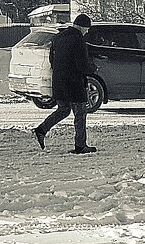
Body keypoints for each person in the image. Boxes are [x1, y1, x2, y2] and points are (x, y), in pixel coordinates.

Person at [33, 13, 97, 154]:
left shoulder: (58, 37)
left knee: (63, 109)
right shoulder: (78, 40)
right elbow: (82, 65)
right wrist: (93, 68)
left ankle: (41, 129)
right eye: (87, 29)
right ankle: (80, 146)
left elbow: (51, 59)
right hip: (74, 82)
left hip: (58, 80)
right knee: (80, 112)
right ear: (82, 27)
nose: (87, 32)